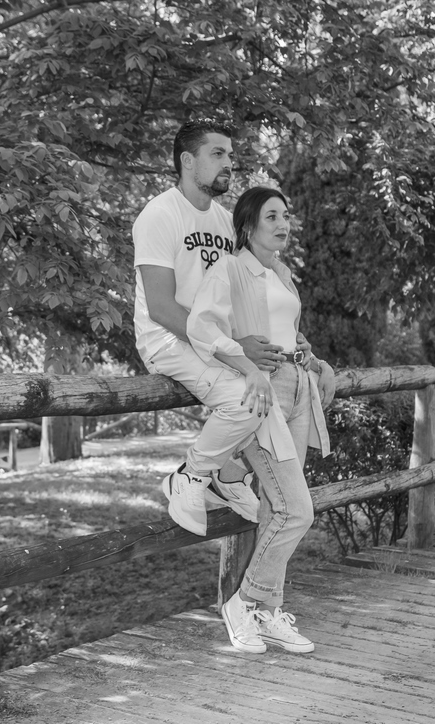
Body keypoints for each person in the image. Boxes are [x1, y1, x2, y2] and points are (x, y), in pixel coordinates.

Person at [133, 119, 309, 535]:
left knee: (263, 397)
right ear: (187, 160)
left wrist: (289, 340)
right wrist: (234, 348)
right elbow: (160, 307)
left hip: (216, 341)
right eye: (217, 154)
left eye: (230, 154)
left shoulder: (225, 221)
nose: (229, 162)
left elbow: (249, 288)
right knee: (246, 401)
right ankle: (191, 475)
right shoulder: (159, 215)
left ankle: (226, 475)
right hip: (168, 341)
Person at [187, 186, 336, 654]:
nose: (283, 223)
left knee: (276, 506)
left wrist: (314, 360)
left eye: (286, 215)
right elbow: (201, 327)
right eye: (272, 216)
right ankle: (243, 603)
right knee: (297, 509)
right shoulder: (229, 268)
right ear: (248, 226)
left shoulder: (282, 273)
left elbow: (287, 335)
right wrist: (242, 358)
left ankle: (268, 613)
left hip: (296, 386)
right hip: (261, 395)